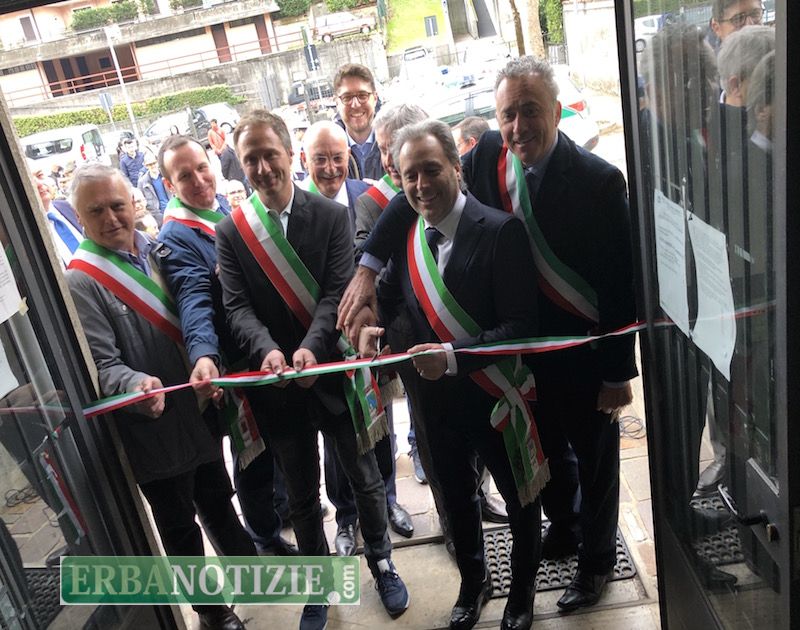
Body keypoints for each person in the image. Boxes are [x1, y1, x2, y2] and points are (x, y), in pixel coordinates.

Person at [339, 56, 638, 613]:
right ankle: (566, 526)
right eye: (508, 114)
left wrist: (619, 371)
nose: (519, 126)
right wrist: (367, 267)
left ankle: (596, 562)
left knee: (596, 461)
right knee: (547, 456)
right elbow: (409, 201)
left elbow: (622, 285)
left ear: (555, 111)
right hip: (519, 355)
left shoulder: (599, 181)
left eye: (530, 111)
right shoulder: (490, 156)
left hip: (581, 353)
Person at [216, 110, 409, 629]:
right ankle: (319, 583)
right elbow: (237, 308)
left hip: (331, 370)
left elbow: (336, 291)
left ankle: (382, 562)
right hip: (278, 383)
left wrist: (308, 346)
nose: (262, 168)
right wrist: (267, 351)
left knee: (364, 477)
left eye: (269, 155)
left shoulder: (329, 215)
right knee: (302, 496)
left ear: (288, 154)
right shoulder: (232, 232)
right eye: (251, 159)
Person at [359, 119, 545, 630]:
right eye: (409, 175)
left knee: (520, 499)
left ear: (456, 168)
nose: (421, 185)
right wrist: (375, 330)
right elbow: (391, 300)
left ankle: (523, 592)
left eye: (431, 170)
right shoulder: (407, 239)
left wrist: (453, 356)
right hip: (434, 406)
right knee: (456, 502)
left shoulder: (501, 231)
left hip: (493, 397)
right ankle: (474, 581)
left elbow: (520, 328)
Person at [65, 163, 253, 630]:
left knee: (217, 495)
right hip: (153, 425)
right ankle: (211, 611)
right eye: (96, 211)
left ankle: (249, 570)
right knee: (179, 525)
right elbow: (102, 365)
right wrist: (134, 383)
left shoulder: (158, 250)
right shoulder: (81, 280)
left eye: (117, 205)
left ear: (134, 203)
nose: (111, 218)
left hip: (198, 407)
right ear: (79, 217)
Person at [156, 135, 296, 557]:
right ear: (168, 185)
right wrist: (204, 355)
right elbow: (194, 300)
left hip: (260, 350)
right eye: (185, 176)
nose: (199, 180)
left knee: (273, 447)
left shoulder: (222, 211)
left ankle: (278, 514)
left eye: (202, 168)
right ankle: (265, 537)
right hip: (232, 364)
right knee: (253, 458)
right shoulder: (176, 237)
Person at [301, 120, 415, 555]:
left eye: (337, 158)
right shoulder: (297, 209)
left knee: (379, 424)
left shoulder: (367, 196)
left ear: (348, 157)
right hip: (327, 341)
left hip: (372, 335)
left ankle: (388, 500)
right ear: (305, 160)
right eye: (321, 159)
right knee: (338, 443)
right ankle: (346, 517)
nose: (331, 168)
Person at [333, 63, 384, 181]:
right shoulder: (328, 152)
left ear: (375, 98)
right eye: (347, 97)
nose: (355, 105)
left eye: (362, 95)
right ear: (336, 102)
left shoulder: (394, 143)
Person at [138, 151, 172, 225]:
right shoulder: (142, 182)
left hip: (173, 210)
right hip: (157, 217)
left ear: (157, 162)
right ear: (146, 166)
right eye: (149, 164)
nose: (153, 166)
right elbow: (142, 203)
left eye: (154, 163)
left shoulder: (167, 175)